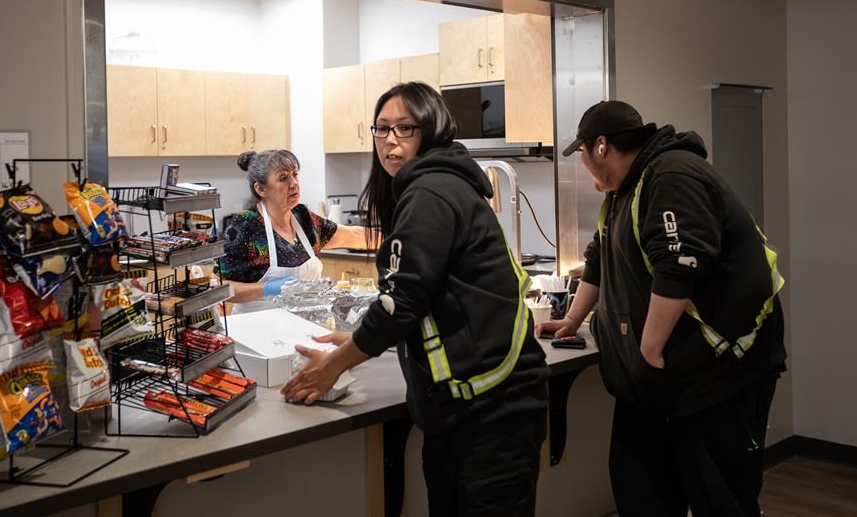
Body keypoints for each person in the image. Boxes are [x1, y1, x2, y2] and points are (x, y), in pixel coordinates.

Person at [281, 82, 548, 516]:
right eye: (382, 129)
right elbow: (420, 297)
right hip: (469, 407)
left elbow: (401, 303)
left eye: (404, 128)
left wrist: (334, 365)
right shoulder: (432, 187)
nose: (390, 140)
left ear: (431, 130)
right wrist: (351, 340)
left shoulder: (430, 192)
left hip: (489, 410)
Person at [537, 99, 787, 517]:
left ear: (601, 146)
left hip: (716, 374)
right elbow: (600, 256)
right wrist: (572, 319)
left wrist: (649, 349)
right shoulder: (623, 190)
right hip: (657, 381)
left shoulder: (671, 175)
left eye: (581, 153)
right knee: (642, 490)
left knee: (720, 497)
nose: (582, 163)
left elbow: (679, 265)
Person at [218, 149, 373, 312]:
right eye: (283, 178)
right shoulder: (245, 225)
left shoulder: (304, 218)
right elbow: (221, 288)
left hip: (305, 327)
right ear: (261, 189)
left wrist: (396, 238)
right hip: (258, 328)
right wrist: (267, 288)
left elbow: (353, 235)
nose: (294, 183)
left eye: (295, 175)